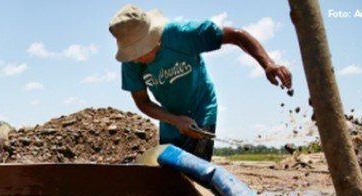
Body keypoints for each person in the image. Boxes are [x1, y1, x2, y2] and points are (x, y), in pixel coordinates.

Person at [109, 4, 292, 161]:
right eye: (132, 54)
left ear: (154, 38)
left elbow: (237, 35)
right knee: (170, 174)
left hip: (201, 110)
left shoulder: (184, 34)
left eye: (139, 52)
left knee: (195, 172)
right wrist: (174, 120)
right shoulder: (131, 63)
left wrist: (268, 64)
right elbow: (142, 102)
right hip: (170, 118)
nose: (136, 59)